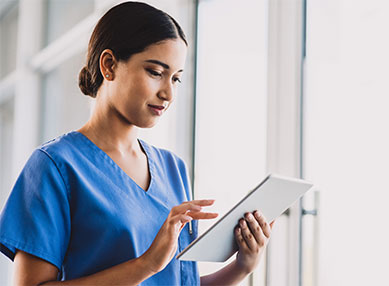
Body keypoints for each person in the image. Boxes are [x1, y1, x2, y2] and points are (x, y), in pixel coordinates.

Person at [0, 2, 273, 285]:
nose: (168, 93)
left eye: (176, 78)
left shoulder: (172, 168)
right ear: (109, 65)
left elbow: (179, 281)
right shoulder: (55, 166)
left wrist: (241, 266)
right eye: (155, 72)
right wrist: (146, 265)